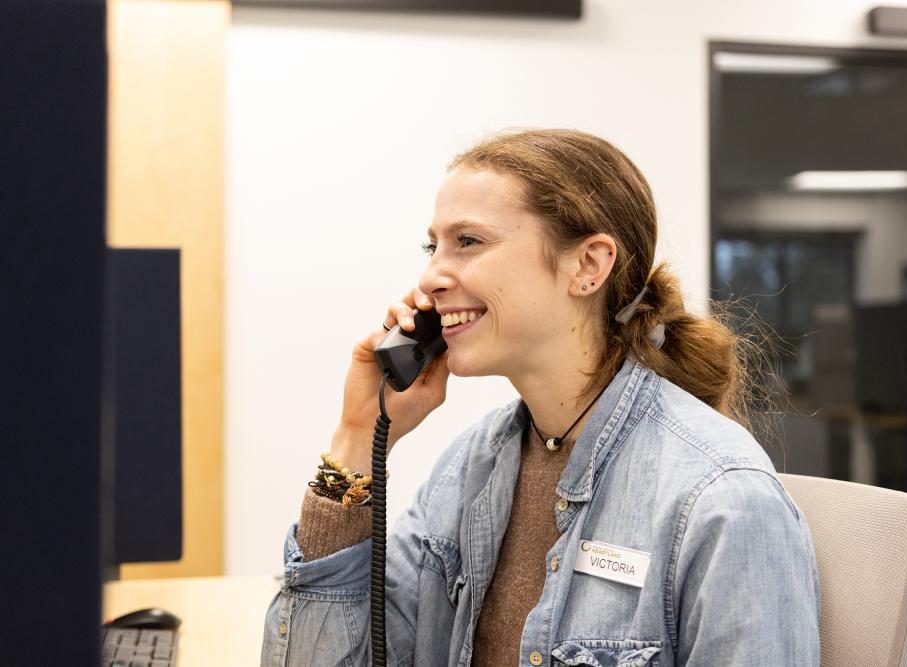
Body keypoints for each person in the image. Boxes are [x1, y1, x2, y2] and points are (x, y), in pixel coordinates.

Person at [261, 129, 820, 667]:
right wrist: (359, 437)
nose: (430, 277)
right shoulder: (469, 469)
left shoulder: (721, 496)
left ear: (588, 266)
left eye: (468, 242)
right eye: (434, 247)